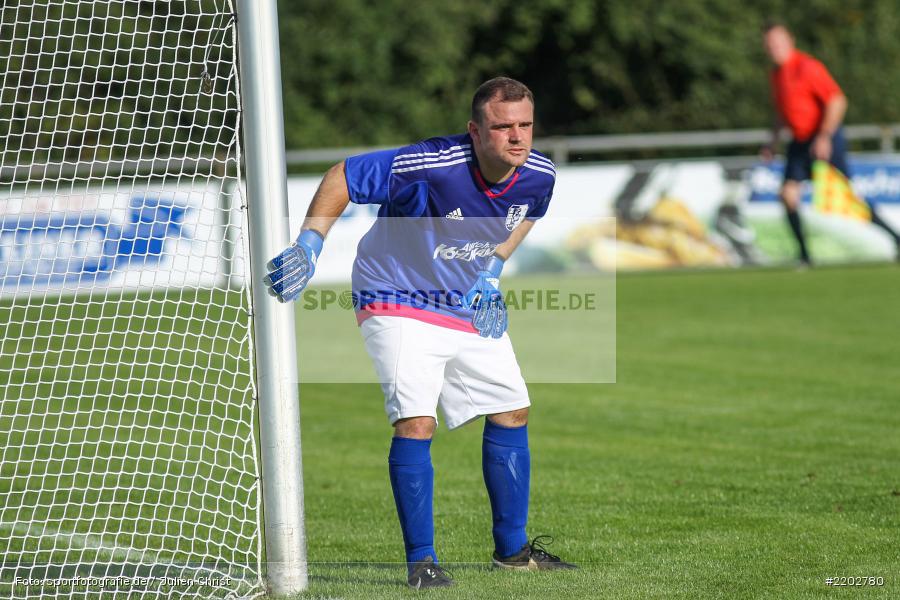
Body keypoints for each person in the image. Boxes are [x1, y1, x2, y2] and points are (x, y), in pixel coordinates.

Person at [264, 77, 576, 589]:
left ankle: (513, 552)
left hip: (462, 298)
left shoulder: (539, 172)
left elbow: (527, 214)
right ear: (475, 131)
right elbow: (343, 175)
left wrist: (493, 270)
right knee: (416, 422)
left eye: (525, 125)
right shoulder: (431, 163)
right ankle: (423, 562)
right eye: (502, 127)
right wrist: (309, 244)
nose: (517, 137)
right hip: (395, 294)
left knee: (512, 408)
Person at [762, 21, 900, 264]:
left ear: (790, 41)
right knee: (788, 195)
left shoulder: (807, 67)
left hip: (824, 138)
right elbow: (780, 113)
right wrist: (772, 143)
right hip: (800, 141)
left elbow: (837, 100)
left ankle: (896, 239)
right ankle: (804, 255)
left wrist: (824, 135)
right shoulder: (776, 74)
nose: (774, 47)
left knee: (850, 199)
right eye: (769, 44)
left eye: (778, 42)